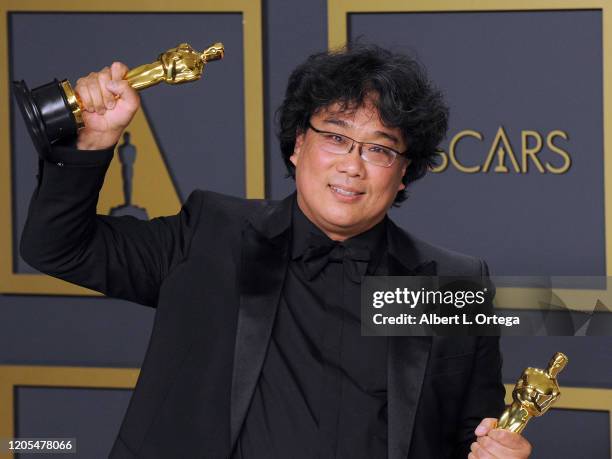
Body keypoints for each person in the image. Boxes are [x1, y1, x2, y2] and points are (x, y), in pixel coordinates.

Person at [20, 44, 532, 459]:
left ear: (403, 174)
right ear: (296, 145)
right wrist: (94, 142)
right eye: (335, 136)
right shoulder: (211, 235)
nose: (352, 166)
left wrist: (498, 453)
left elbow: (474, 433)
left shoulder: (447, 283)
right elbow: (57, 248)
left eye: (379, 148)